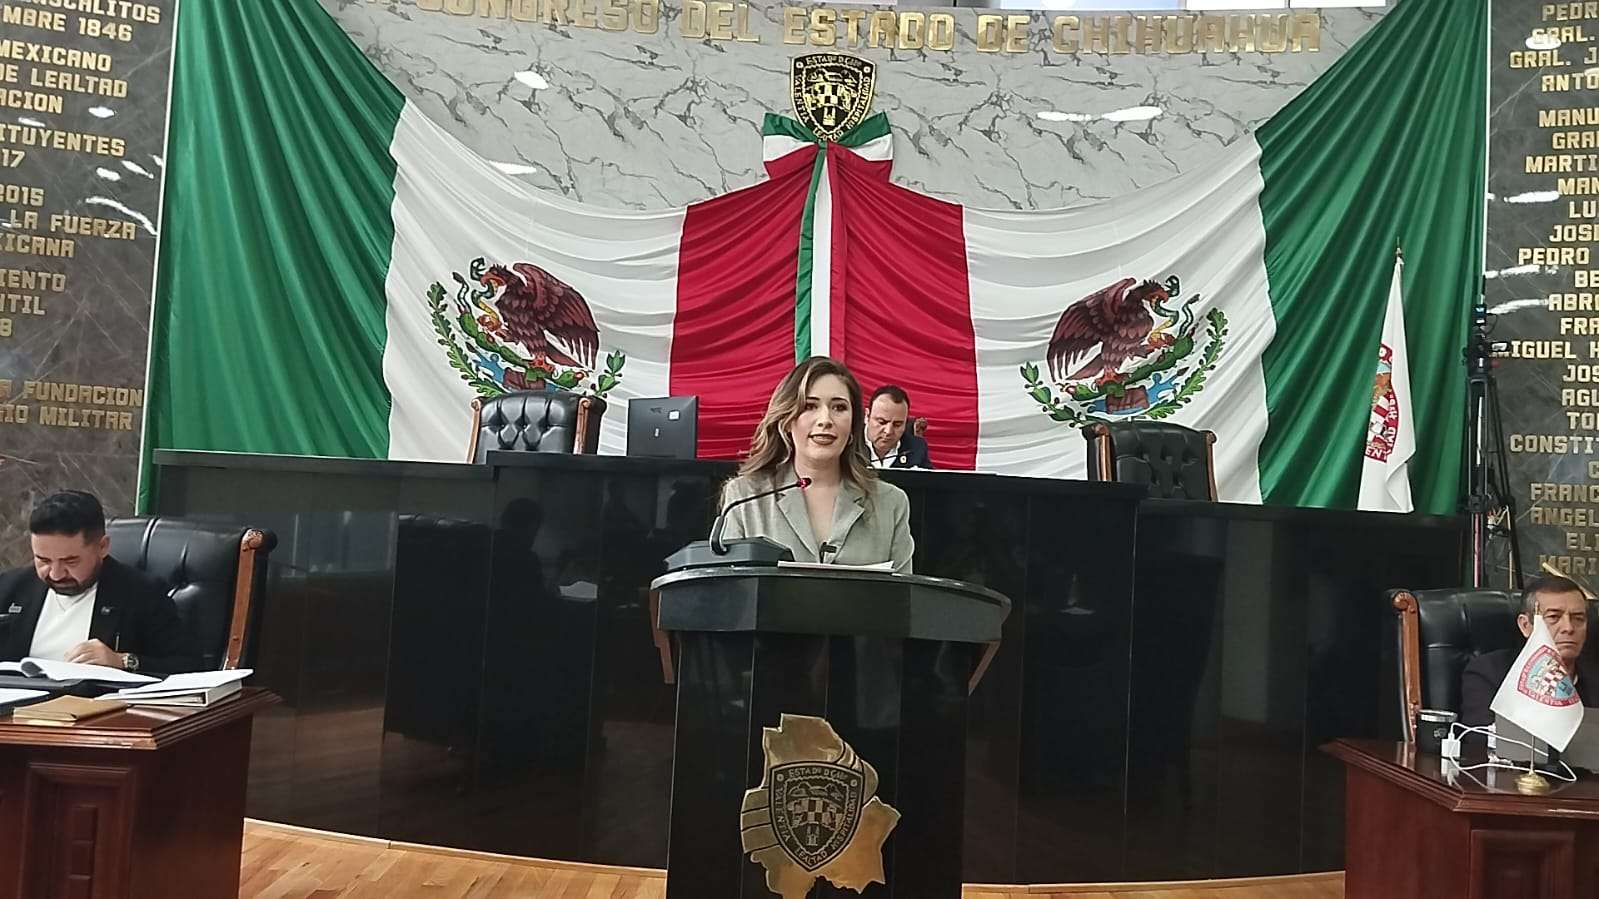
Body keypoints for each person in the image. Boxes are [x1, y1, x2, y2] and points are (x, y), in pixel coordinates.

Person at [719, 357, 915, 572]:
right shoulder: (744, 497)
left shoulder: (891, 503)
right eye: (810, 406)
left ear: (853, 424)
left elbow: (904, 592)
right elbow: (730, 589)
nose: (825, 420)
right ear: (787, 420)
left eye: (839, 407)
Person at [0, 491, 199, 674]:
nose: (56, 574)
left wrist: (122, 661)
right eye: (43, 560)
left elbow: (188, 666)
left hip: (93, 700)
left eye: (70, 561)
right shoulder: (10, 588)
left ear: (102, 547)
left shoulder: (142, 594)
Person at [1460, 574, 1599, 730]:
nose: (1569, 628)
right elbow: (1480, 737)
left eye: (1578, 618)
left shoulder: (1594, 675)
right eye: (1553, 617)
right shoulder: (1489, 672)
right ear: (1525, 625)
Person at [865, 385, 933, 470]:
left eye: (897, 425)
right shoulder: (851, 443)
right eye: (882, 422)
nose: (888, 431)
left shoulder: (917, 448)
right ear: (867, 416)